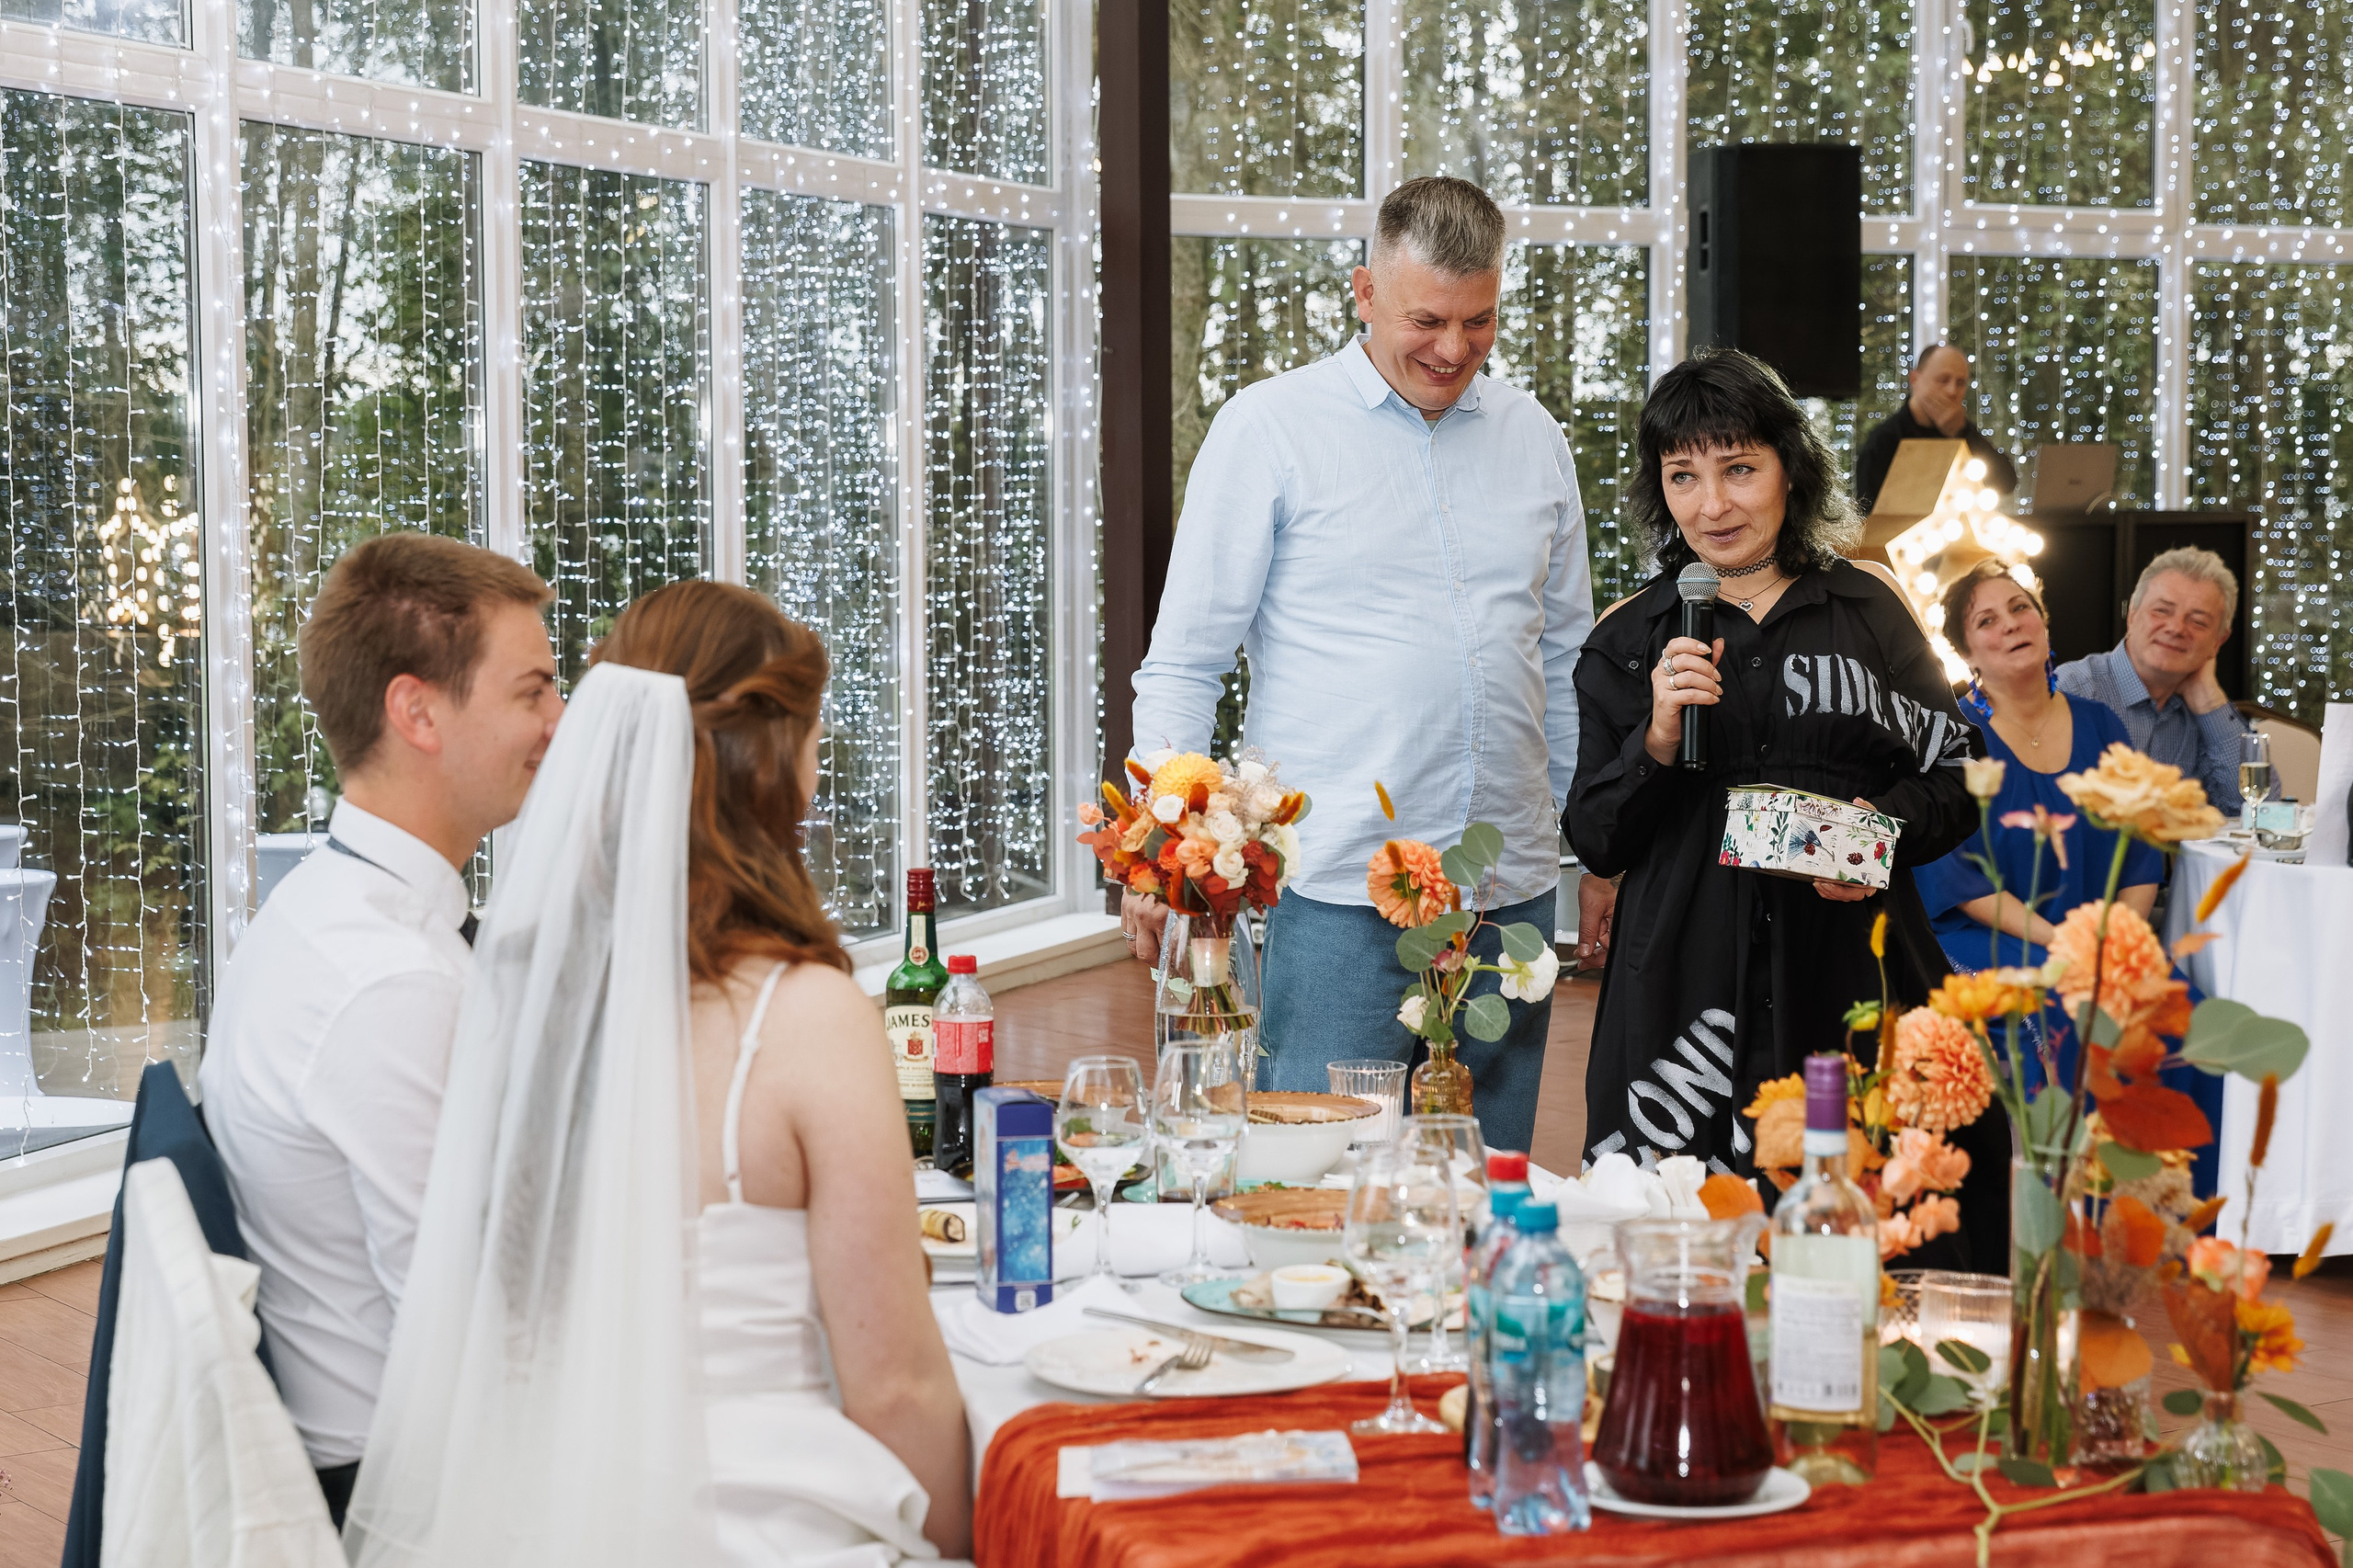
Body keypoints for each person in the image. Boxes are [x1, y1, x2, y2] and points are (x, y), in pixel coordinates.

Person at [346, 583, 970, 1568]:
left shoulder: (516, 996)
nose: (815, 773)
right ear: (767, 768)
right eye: (811, 743)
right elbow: (896, 1388)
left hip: (543, 1520)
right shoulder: (803, 1015)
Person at [1125, 176, 1599, 1154]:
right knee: (1317, 1179)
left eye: (1480, 322)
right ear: (1363, 293)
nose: (1453, 349)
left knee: (1485, 1177)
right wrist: (1159, 858)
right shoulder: (1268, 430)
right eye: (1427, 319)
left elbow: (1563, 663)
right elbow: (1184, 662)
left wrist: (1594, 849)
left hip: (1505, 894)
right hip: (1335, 891)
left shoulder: (1535, 438)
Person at [199, 533, 561, 1527]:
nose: (557, 720)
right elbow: (470, 1337)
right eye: (532, 690)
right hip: (404, 1490)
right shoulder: (389, 979)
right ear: (417, 711)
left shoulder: (336, 910)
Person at [1567, 347, 1983, 1183]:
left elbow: (1958, 773)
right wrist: (1654, 739)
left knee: (1854, 1219)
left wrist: (1874, 835)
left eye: (1739, 468)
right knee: (1681, 1240)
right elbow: (1596, 836)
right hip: (1681, 997)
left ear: (1790, 467)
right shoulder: (1628, 636)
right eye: (1683, 476)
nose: (1713, 504)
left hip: (1844, 967)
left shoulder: (1869, 605)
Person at [1919, 559, 2222, 1193]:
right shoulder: (1953, 737)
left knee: (2189, 1022)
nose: (2010, 626)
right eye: (1987, 620)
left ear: (2045, 621)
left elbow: (2140, 853)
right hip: (1998, 938)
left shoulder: (2101, 723)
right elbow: (1966, 885)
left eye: (2020, 608)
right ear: (1965, 648)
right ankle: (2062, 1224)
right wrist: (2070, 946)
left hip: (2104, 940)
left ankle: (2171, 1220)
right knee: (2059, 1021)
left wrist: (2116, 938)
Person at [2056, 546, 2266, 818]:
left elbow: (2259, 810)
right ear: (2132, 615)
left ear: (2218, 641)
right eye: (2162, 611)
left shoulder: (2202, 718)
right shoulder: (2072, 691)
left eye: (2198, 622)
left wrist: (2210, 701)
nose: (2177, 628)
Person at [1851, 345, 2018, 515]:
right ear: (1915, 379)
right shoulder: (1884, 441)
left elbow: (2006, 483)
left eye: (1960, 383)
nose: (1952, 391)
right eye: (1943, 380)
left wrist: (1959, 434)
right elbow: (1870, 515)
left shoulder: (1963, 430)